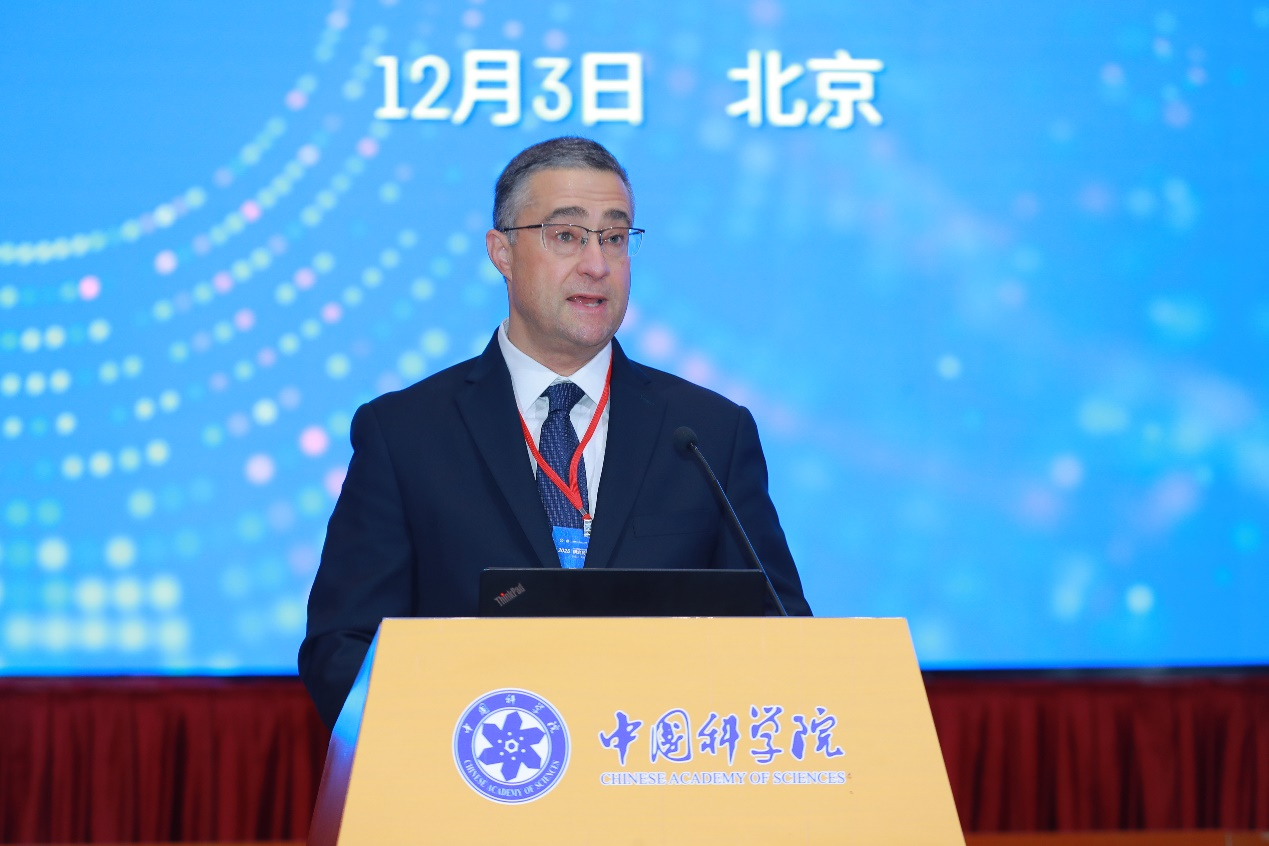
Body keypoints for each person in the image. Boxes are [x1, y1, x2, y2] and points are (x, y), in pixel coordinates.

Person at [299, 137, 811, 728]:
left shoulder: (709, 434)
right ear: (502, 252)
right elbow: (343, 648)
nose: (596, 264)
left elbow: (783, 635)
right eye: (567, 236)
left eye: (614, 238)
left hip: (653, 772)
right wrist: (449, 743)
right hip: (483, 768)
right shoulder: (405, 433)